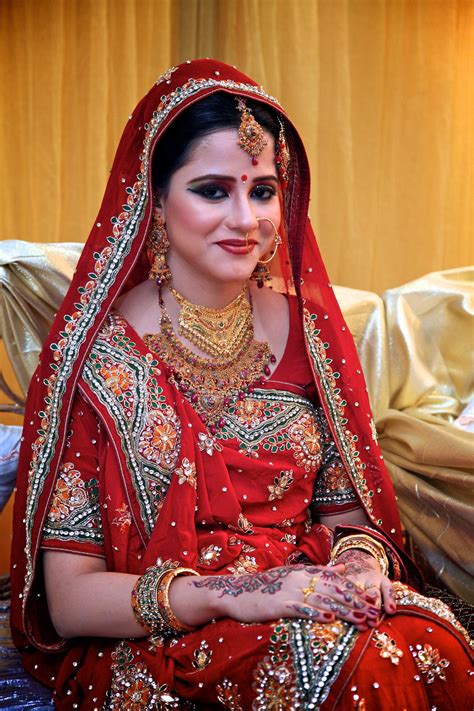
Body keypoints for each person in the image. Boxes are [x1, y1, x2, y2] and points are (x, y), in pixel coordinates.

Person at [10, 59, 472, 710]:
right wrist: (243, 595)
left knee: (432, 644)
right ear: (156, 199)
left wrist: (359, 569)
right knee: (366, 670)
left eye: (262, 190)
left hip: (311, 596)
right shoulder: (99, 356)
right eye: (212, 189)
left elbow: (350, 519)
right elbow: (71, 596)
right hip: (168, 627)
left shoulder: (314, 335)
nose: (246, 217)